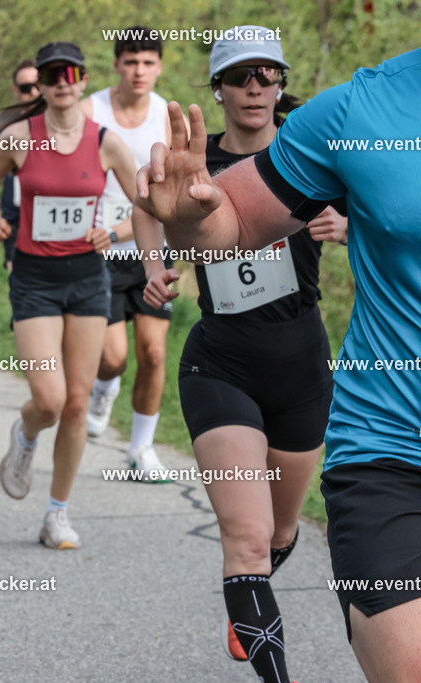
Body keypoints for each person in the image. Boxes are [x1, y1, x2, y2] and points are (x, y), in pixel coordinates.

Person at [134, 34, 419, 683]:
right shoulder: (350, 116)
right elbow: (205, 217)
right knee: (250, 540)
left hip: (300, 365)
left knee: (281, 533)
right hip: (356, 430)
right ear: (220, 88)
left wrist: (346, 224)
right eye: (240, 76)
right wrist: (176, 235)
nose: (255, 86)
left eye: (267, 75)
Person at [0, 42, 138, 549]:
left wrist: (116, 232)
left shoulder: (107, 142)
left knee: (75, 404)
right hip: (35, 280)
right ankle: (24, 437)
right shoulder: (20, 137)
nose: (62, 81)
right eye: (51, 74)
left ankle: (57, 514)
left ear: (84, 80)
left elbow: (147, 208)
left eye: (71, 72)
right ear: (41, 85)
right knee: (48, 400)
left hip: (89, 278)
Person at [80, 27, 177, 478]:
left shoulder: (165, 118)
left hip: (152, 247)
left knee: (154, 353)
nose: (139, 71)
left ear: (159, 66)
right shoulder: (90, 110)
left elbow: (172, 192)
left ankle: (142, 449)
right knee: (114, 356)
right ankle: (105, 385)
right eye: (131, 61)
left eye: (148, 62)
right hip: (99, 250)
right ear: (117, 64)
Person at [0, 58, 40, 273]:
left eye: (38, 85)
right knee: (20, 283)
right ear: (15, 90)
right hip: (15, 216)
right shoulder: (0, 123)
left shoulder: (65, 119)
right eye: (26, 88)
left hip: (55, 214)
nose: (33, 92)